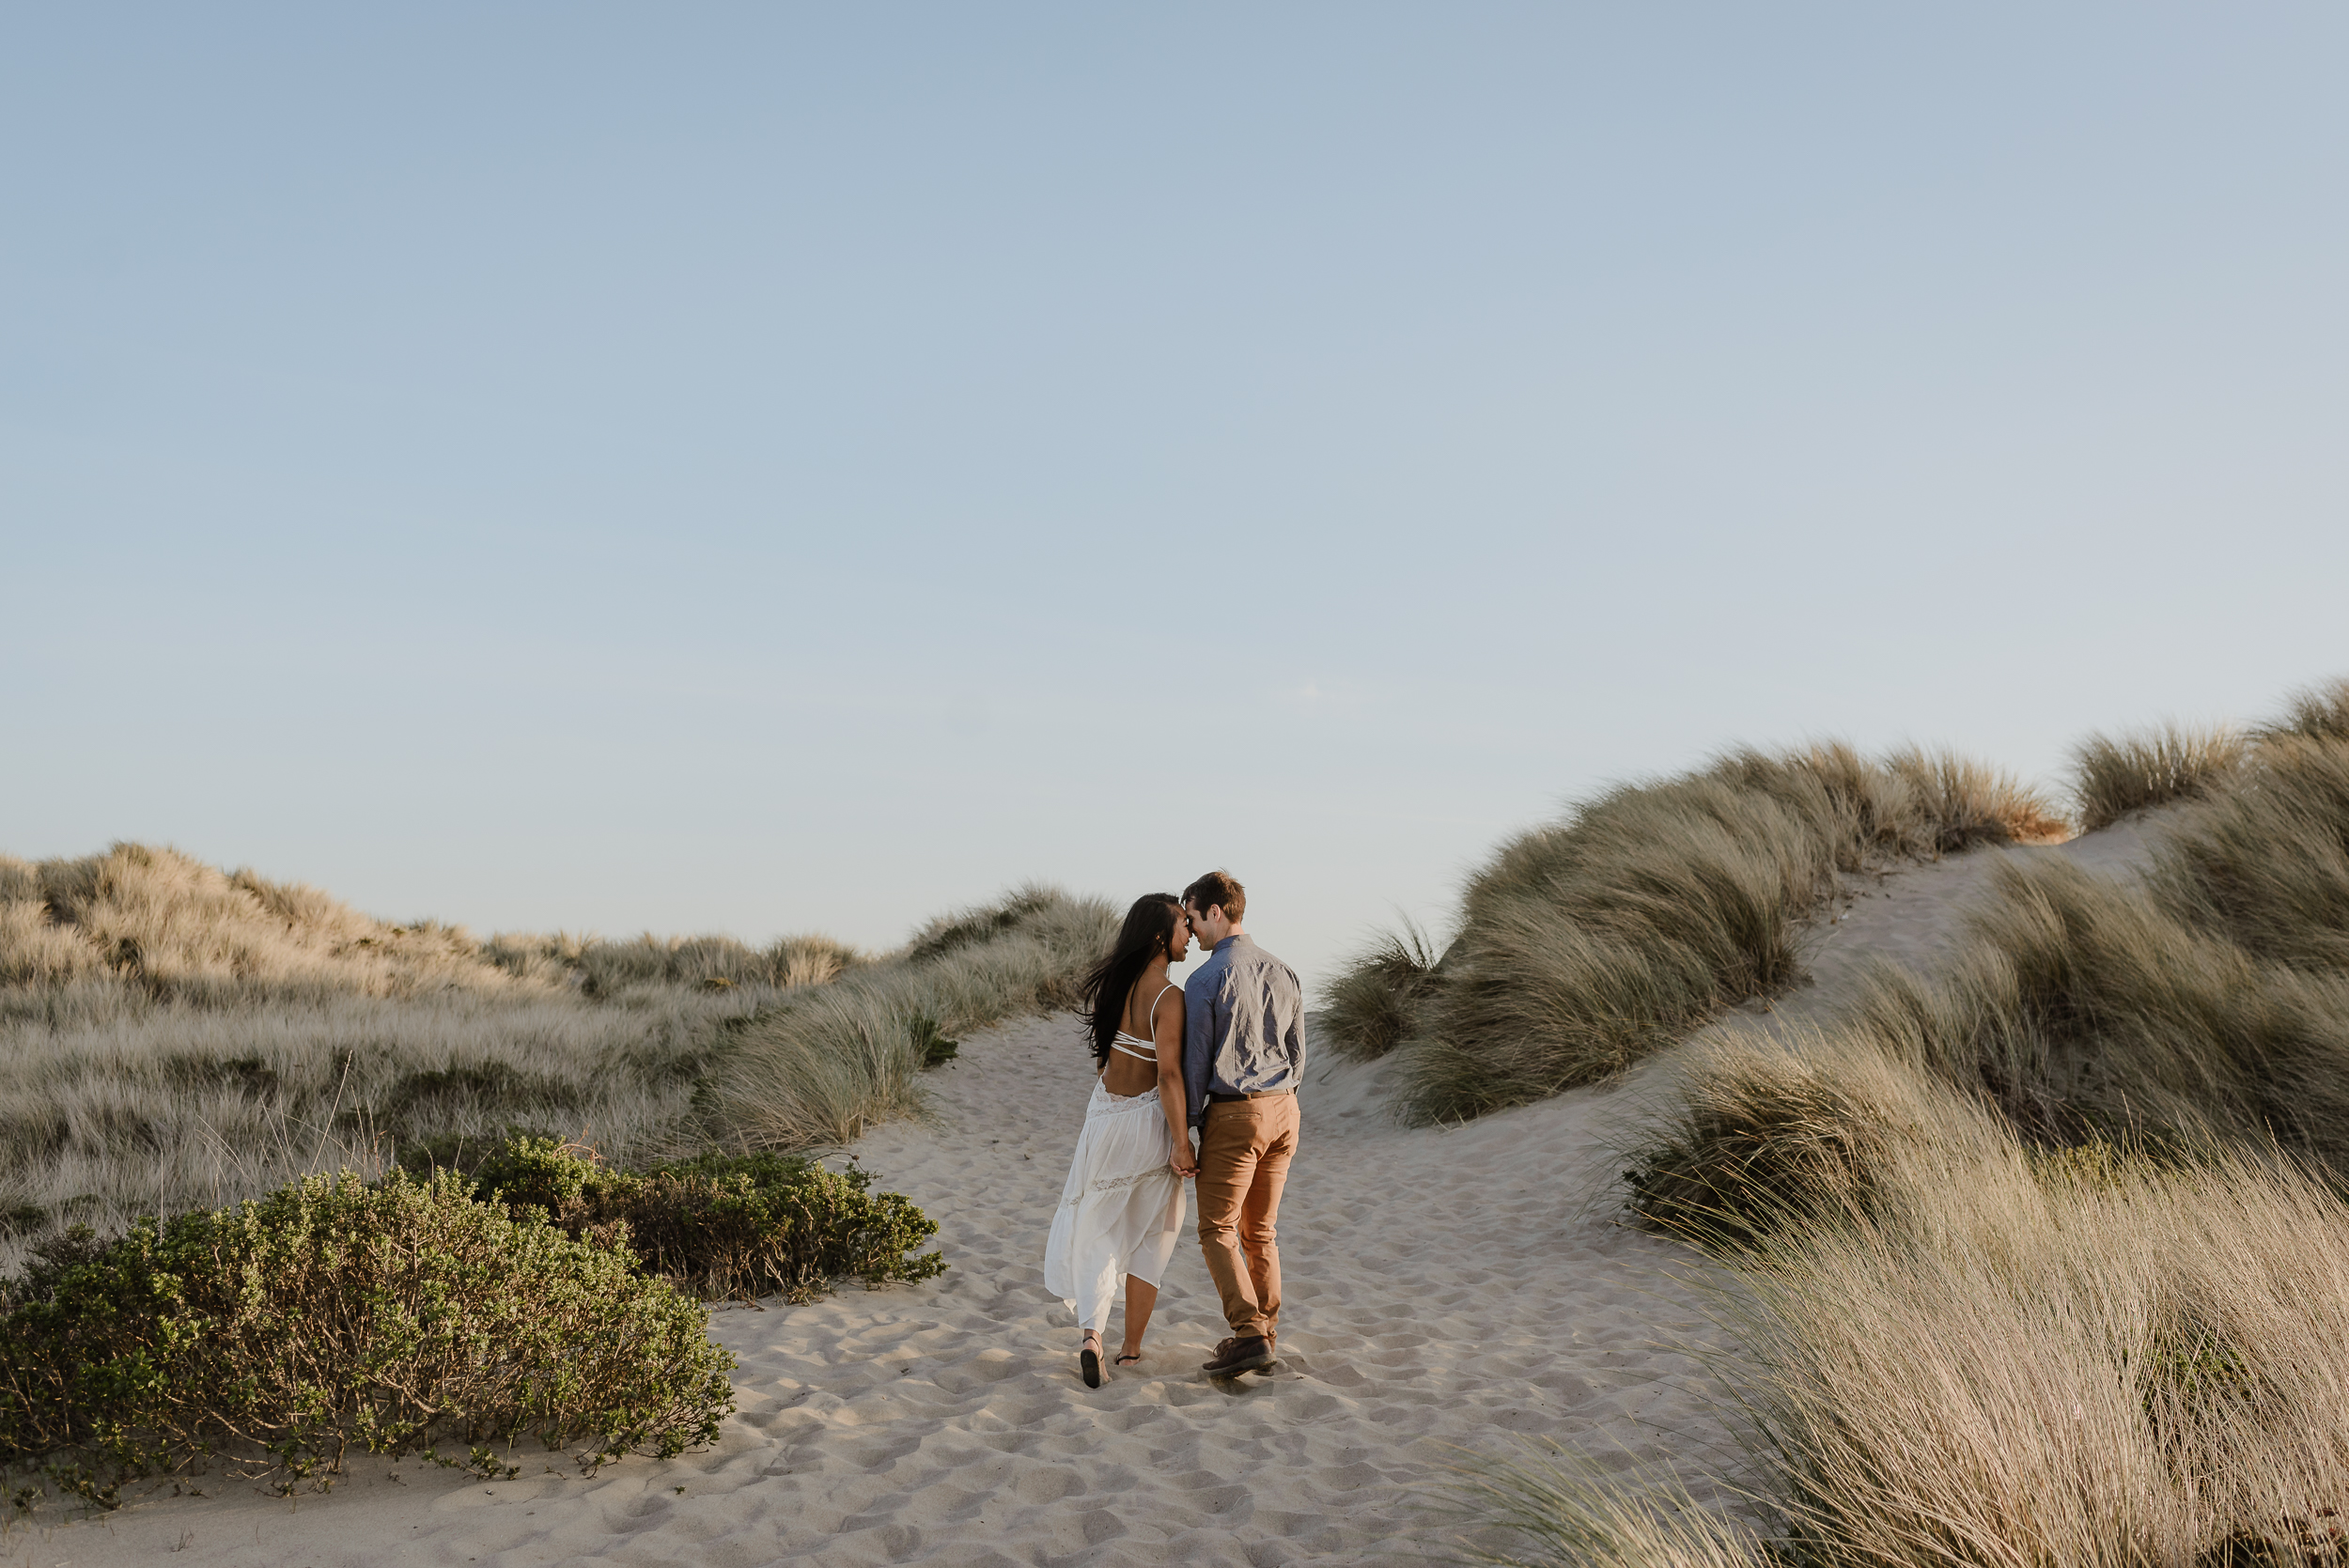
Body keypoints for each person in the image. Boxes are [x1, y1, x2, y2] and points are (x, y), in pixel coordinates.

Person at [1044, 893, 1198, 1387]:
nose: (1189, 933)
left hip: (1103, 1117)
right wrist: (1180, 1141)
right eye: (1182, 926)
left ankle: (1092, 1336)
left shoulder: (1115, 986)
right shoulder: (1167, 996)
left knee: (1099, 1228)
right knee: (1157, 1230)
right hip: (1146, 1121)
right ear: (1159, 935)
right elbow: (1170, 1076)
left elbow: (1103, 1061)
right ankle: (1130, 1350)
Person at [1180, 870, 1304, 1378]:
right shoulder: (1284, 970)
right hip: (1285, 1109)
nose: (1189, 932)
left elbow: (1195, 1062)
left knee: (1217, 1229)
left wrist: (1187, 1127)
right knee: (1262, 1231)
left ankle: (1250, 1333)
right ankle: (1266, 1334)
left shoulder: (1205, 979)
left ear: (1215, 911)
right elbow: (1299, 1051)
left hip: (1236, 1114)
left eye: (1192, 918)